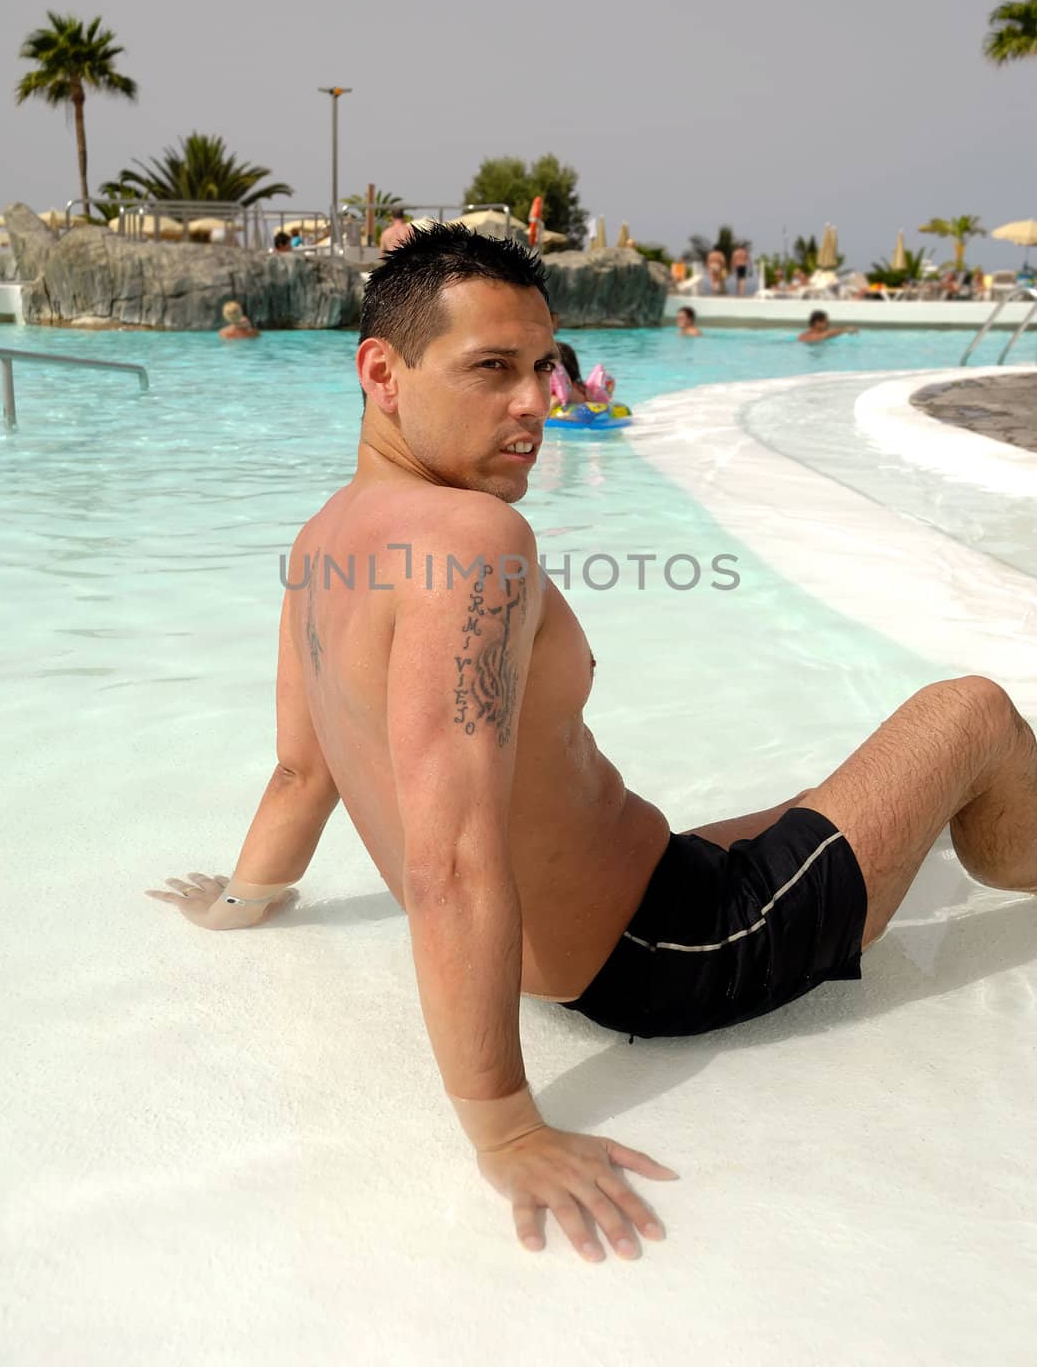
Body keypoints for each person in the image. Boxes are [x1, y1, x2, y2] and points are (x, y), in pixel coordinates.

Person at [147, 225, 1037, 1267]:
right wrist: (505, 1126)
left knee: (838, 795)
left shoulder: (326, 538)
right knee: (969, 711)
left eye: (541, 366)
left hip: (649, 898)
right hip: (677, 952)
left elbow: (305, 771)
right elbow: (450, 863)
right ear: (380, 371)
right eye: (491, 369)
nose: (537, 403)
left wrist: (244, 901)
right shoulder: (471, 543)